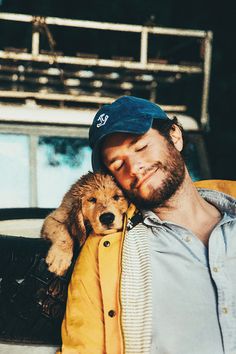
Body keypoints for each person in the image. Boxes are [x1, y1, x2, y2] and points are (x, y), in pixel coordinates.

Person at [57, 96, 236, 354]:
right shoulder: (103, 255)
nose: (134, 167)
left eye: (140, 147)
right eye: (117, 165)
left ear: (174, 136)